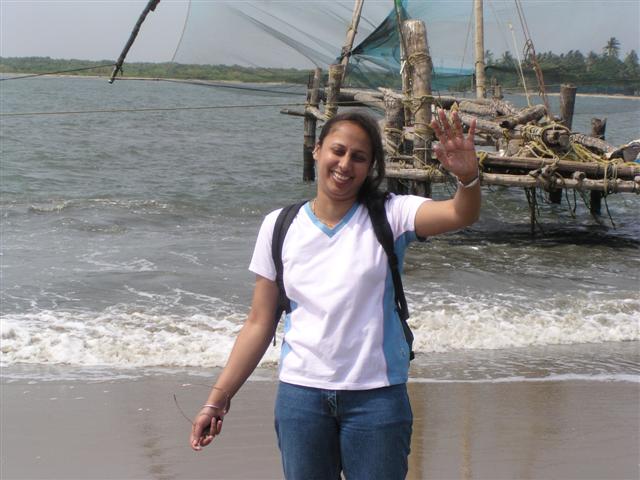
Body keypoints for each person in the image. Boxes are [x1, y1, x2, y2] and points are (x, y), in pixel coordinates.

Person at [189, 108, 481, 479]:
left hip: (377, 397)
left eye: (358, 157)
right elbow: (259, 323)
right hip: (301, 399)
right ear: (317, 150)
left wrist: (468, 178)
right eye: (337, 151)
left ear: (371, 166)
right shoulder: (279, 226)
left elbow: (460, 214)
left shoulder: (391, 214)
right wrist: (217, 400)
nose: (345, 164)